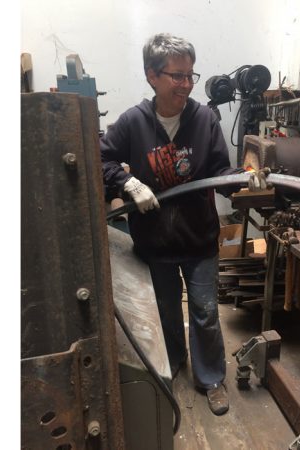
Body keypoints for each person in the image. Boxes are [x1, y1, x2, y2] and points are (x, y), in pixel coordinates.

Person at [100, 33, 266, 416]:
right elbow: (101, 158)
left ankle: (210, 378)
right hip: (154, 241)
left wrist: (244, 179)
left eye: (191, 75)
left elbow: (219, 171)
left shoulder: (204, 119)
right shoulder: (133, 122)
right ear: (152, 75)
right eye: (177, 76)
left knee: (205, 312)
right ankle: (173, 362)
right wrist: (127, 182)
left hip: (198, 238)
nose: (187, 84)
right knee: (166, 310)